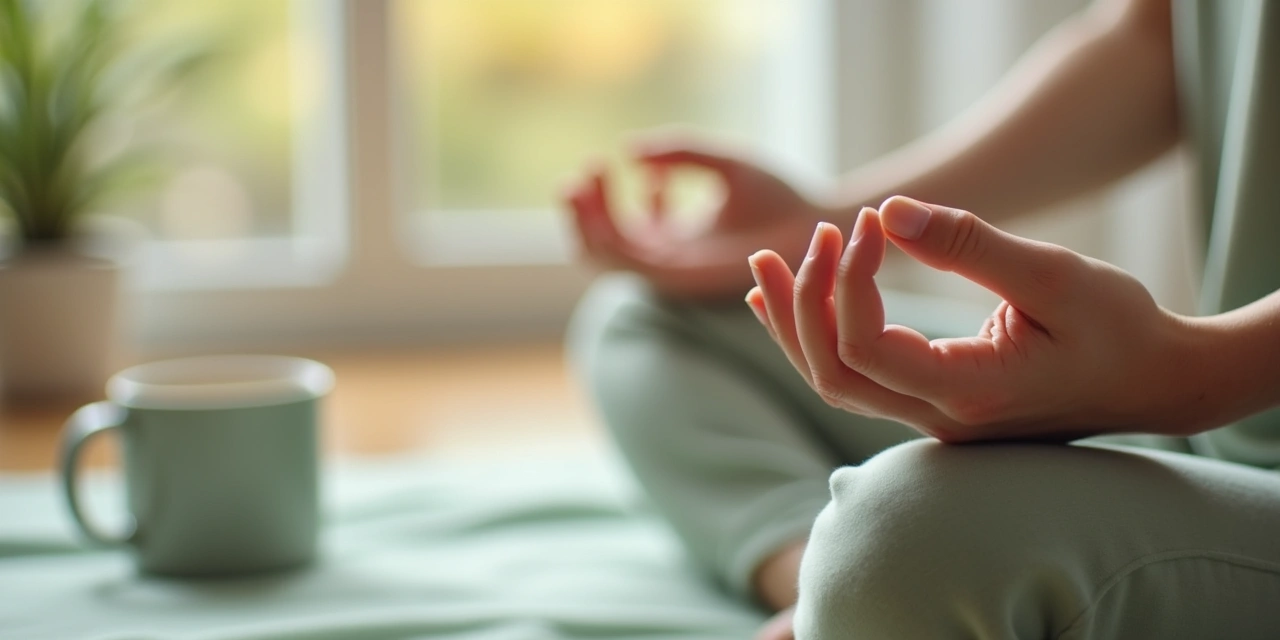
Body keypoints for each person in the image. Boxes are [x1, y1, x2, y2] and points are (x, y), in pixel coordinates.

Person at [564, 0, 1280, 637]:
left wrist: (1189, 371)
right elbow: (1157, 37)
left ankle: (844, 593)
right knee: (652, 316)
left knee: (902, 534)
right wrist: (816, 224)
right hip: (1208, 431)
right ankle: (807, 580)